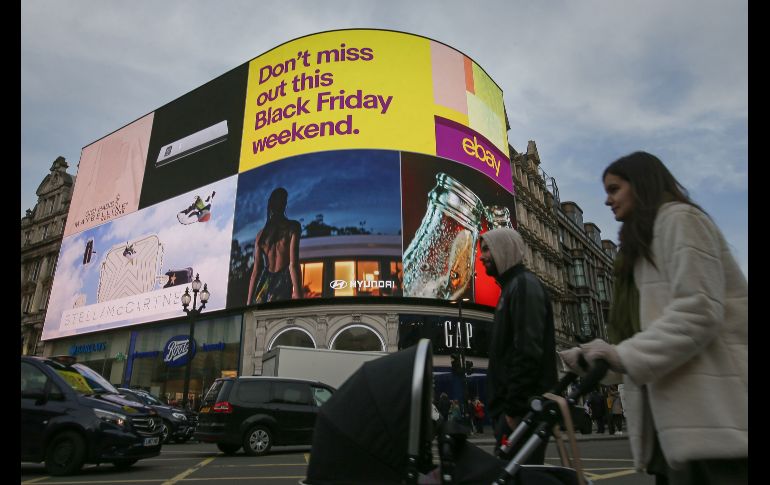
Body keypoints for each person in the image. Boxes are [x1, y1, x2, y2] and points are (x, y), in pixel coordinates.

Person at [559, 151, 747, 484]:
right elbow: (636, 343)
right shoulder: (638, 252)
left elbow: (698, 312)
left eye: (615, 188)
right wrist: (595, 361)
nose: (607, 200)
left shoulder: (680, 220)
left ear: (641, 184)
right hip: (671, 426)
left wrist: (620, 355)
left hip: (715, 423)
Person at [479, 227, 557, 465]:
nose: (481, 257)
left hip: (521, 414)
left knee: (517, 474)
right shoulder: (511, 288)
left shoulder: (523, 286)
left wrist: (513, 411)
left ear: (504, 249)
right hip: (514, 413)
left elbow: (526, 350)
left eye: (486, 249)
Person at [247, 188, 303, 304]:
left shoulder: (260, 235)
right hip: (282, 283)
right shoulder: (293, 227)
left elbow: (256, 272)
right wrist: (299, 297)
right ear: (284, 204)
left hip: (264, 283)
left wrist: (248, 303)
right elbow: (293, 265)